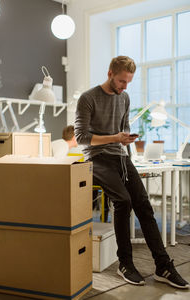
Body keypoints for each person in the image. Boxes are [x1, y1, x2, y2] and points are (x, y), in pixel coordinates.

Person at [74, 56, 189, 289]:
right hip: (96, 158)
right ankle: (125, 263)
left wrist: (126, 142)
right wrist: (115, 138)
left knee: (144, 205)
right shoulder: (88, 98)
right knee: (123, 201)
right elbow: (81, 138)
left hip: (121, 156)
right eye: (121, 81)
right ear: (109, 73)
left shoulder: (124, 98)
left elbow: (123, 130)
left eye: (128, 82)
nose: (125, 87)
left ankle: (163, 265)